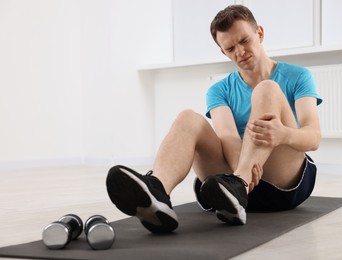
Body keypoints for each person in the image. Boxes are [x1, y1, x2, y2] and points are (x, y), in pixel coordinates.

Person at [106, 5, 322, 233]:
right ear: (223, 52)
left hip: (282, 182)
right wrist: (243, 170)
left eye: (244, 41)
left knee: (266, 89)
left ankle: (238, 184)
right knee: (187, 117)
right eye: (230, 48)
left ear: (259, 33)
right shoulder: (219, 90)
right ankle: (157, 191)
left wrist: (282, 134)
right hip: (233, 178)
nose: (239, 52)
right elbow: (227, 135)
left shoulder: (298, 76)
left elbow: (313, 138)